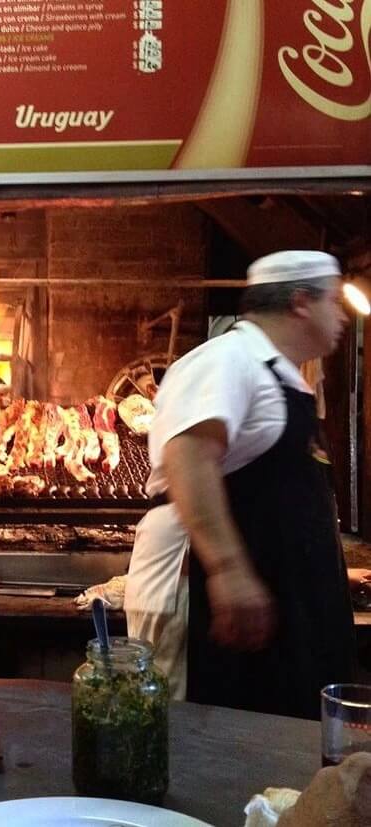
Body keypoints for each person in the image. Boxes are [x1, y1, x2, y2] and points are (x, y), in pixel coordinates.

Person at [124, 249, 356, 718]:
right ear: (300, 302)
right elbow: (189, 454)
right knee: (201, 734)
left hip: (277, 601)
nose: (343, 317)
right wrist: (230, 570)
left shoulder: (280, 372)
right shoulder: (229, 359)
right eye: (335, 301)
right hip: (204, 597)